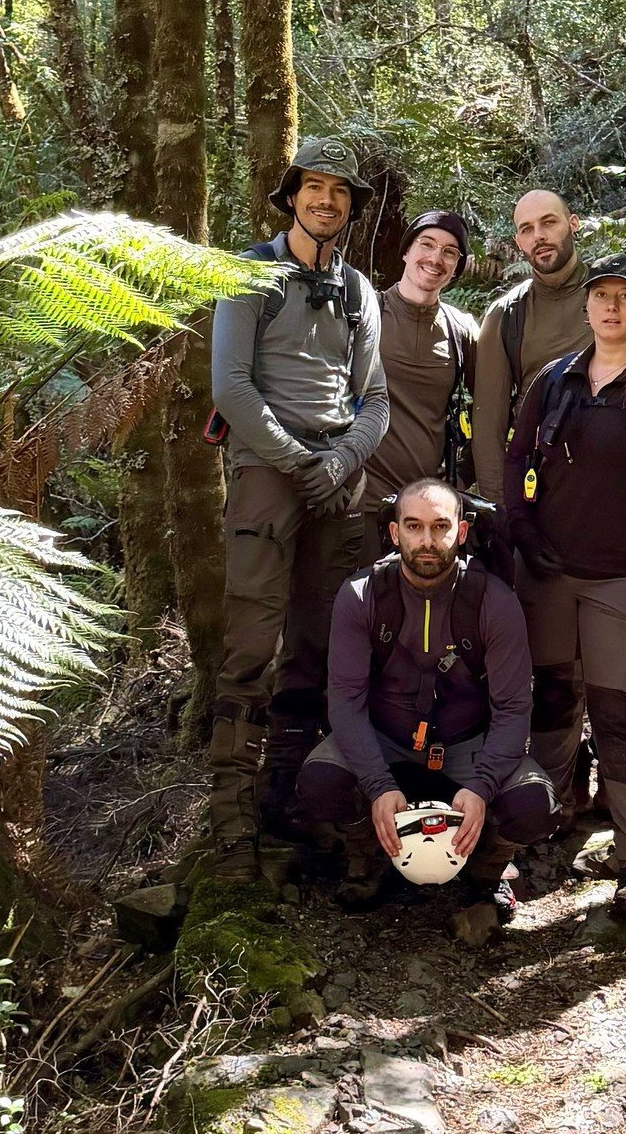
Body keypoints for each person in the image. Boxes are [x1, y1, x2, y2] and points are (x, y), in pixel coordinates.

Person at [504, 251, 626, 922]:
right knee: (553, 704)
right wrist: (523, 532)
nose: (612, 307)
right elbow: (515, 459)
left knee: (619, 715)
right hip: (551, 576)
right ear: (586, 305)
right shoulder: (553, 380)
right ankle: (541, 830)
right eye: (601, 296)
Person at [207, 137, 391, 879]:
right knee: (252, 641)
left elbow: (373, 398)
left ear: (350, 207)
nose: (326, 200)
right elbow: (230, 385)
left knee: (319, 645)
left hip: (336, 482)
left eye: (339, 191)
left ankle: (289, 795)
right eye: (313, 187)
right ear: (291, 197)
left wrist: (342, 461)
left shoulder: (359, 292)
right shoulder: (251, 273)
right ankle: (229, 819)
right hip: (268, 473)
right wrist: (297, 461)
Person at [298, 478, 556, 918]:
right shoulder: (360, 596)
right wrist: (378, 785)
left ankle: (488, 870)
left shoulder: (494, 600)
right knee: (320, 781)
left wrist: (482, 784)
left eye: (440, 527)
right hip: (384, 741)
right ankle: (367, 857)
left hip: (468, 748)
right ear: (395, 534)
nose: (427, 541)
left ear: (461, 531)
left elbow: (514, 708)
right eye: (414, 527)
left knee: (534, 805)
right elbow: (345, 701)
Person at [472, 189, 626, 519]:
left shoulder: (623, 295)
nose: (539, 236)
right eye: (527, 229)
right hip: (544, 491)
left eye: (549, 223)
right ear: (518, 241)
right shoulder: (506, 316)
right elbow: (487, 429)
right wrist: (503, 517)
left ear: (573, 224)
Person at [361, 210, 478, 564]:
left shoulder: (463, 331)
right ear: (406, 251)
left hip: (428, 514)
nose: (435, 258)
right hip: (360, 503)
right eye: (426, 244)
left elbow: (492, 411)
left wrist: (461, 480)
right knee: (355, 608)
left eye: (450, 252)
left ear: (457, 267)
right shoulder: (366, 314)